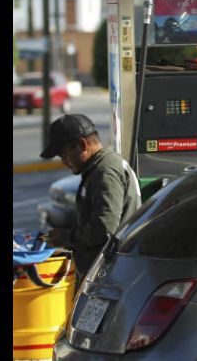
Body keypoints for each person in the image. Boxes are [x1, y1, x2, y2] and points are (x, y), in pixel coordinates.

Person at [41, 114, 141, 282]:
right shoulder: (100, 168)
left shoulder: (105, 172)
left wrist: (65, 238)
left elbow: (103, 229)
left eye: (64, 155)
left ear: (82, 145)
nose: (64, 162)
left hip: (109, 275)